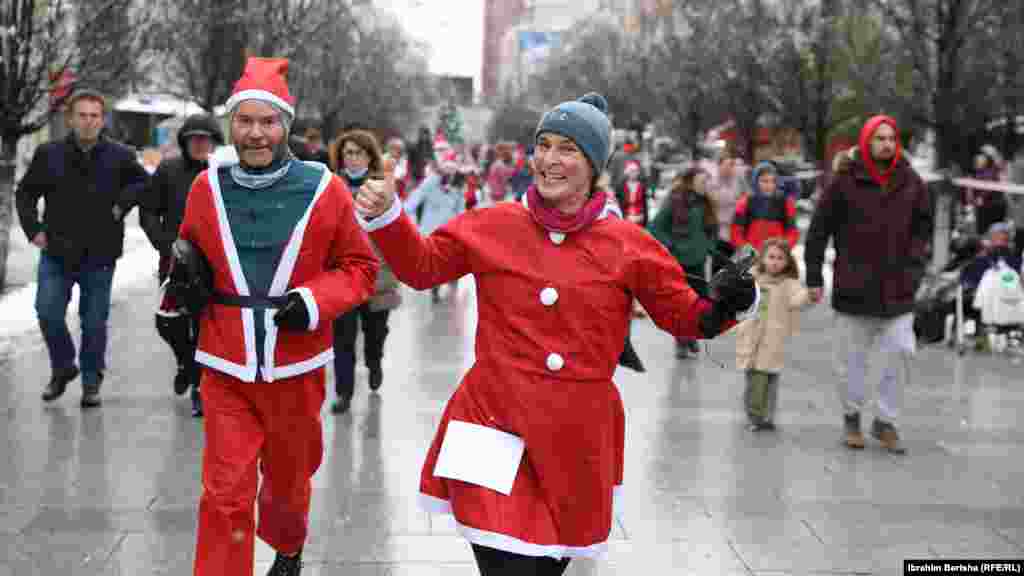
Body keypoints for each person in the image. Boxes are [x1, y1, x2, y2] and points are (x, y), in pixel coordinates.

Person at [353, 92, 757, 575]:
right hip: (491, 419)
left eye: (566, 148)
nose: (549, 160)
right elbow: (422, 267)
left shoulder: (629, 245)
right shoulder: (495, 223)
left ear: (593, 164)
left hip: (576, 437)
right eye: (543, 145)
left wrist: (732, 300)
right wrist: (386, 217)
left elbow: (686, 317)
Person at [177, 57, 378, 576]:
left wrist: (312, 302)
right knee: (225, 494)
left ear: (285, 125)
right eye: (245, 121)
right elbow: (186, 259)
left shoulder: (324, 188)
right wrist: (174, 300)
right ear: (231, 126)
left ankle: (288, 547)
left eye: (268, 122)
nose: (256, 134)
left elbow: (359, 267)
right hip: (226, 366)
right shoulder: (207, 189)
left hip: (297, 367)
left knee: (289, 485)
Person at [804, 114, 932, 455]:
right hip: (854, 287)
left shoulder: (912, 183)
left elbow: (923, 232)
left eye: (891, 138)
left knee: (902, 352)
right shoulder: (844, 181)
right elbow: (818, 230)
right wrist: (814, 277)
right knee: (851, 361)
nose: (887, 144)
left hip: (899, 287)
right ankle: (852, 416)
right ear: (866, 142)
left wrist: (916, 270)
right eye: (880, 138)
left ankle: (885, 420)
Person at [16, 88, 149, 408]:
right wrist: (33, 230)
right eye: (82, 116)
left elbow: (143, 183)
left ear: (103, 120)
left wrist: (120, 206)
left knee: (93, 321)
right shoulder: (49, 154)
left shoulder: (120, 155)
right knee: (47, 312)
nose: (89, 122)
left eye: (95, 116)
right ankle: (63, 367)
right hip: (57, 250)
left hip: (100, 253)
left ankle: (91, 382)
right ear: (71, 119)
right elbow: (26, 193)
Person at [141, 114, 224, 417]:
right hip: (175, 260)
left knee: (205, 325)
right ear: (185, 142)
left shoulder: (225, 172)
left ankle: (200, 388)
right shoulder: (169, 170)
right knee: (167, 321)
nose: (200, 144)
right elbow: (148, 211)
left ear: (216, 142)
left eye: (206, 139)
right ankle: (184, 362)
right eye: (194, 139)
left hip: (215, 263)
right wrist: (166, 245)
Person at [326, 129, 402, 414]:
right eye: (348, 153)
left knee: (374, 333)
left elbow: (397, 230)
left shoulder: (383, 186)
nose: (353, 158)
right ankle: (343, 393)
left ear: (369, 156)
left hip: (378, 274)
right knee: (342, 339)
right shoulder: (331, 186)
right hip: (342, 276)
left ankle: (374, 361)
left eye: (358, 152)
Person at [735, 238, 815, 431]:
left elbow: (797, 300)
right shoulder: (752, 278)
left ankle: (764, 416)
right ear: (762, 258)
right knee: (754, 380)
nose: (775, 262)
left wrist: (809, 296)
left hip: (772, 341)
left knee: (768, 380)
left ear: (787, 262)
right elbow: (737, 297)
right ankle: (756, 415)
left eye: (780, 258)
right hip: (751, 338)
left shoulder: (788, 284)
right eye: (771, 257)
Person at [648, 167, 719, 358]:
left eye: (707, 182)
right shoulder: (675, 200)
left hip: (698, 260)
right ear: (691, 181)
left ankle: (691, 336)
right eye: (702, 181)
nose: (706, 185)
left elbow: (713, 229)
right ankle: (681, 341)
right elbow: (655, 227)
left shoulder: (707, 203)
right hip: (678, 261)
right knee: (680, 304)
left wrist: (708, 246)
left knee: (697, 302)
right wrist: (671, 244)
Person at [403, 150, 466, 302]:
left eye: (453, 171)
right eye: (447, 170)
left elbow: (461, 207)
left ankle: (452, 280)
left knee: (450, 260)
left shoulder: (458, 186)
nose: (449, 174)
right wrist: (403, 212)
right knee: (435, 262)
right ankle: (435, 290)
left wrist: (463, 225)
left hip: (451, 229)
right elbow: (417, 196)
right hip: (431, 229)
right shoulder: (431, 182)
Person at [731, 161, 800, 251]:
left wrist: (783, 248)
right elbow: (735, 232)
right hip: (752, 256)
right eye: (764, 181)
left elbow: (793, 232)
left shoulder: (786, 203)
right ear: (755, 181)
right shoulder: (744, 203)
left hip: (776, 255)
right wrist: (745, 248)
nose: (769, 185)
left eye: (773, 181)